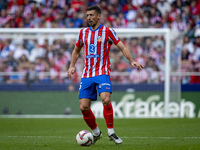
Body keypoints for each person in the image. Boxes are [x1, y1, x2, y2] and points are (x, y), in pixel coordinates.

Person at [67, 5, 144, 145]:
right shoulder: (83, 33)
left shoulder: (108, 32)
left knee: (106, 99)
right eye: (87, 15)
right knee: (83, 107)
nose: (89, 18)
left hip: (102, 72)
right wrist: (72, 66)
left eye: (91, 15)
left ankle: (111, 132)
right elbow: (76, 51)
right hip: (87, 74)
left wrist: (132, 61)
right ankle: (96, 132)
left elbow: (122, 47)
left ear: (98, 16)